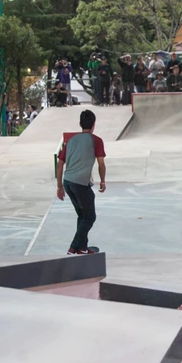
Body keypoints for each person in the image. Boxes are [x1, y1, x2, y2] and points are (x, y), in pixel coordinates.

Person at [56, 109, 106, 255]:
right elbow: (101, 163)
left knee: (82, 216)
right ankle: (73, 247)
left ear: (80, 124)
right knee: (90, 217)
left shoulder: (71, 141)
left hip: (67, 182)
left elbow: (60, 164)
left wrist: (59, 186)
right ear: (94, 125)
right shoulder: (96, 140)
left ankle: (82, 248)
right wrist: (102, 181)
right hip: (80, 184)